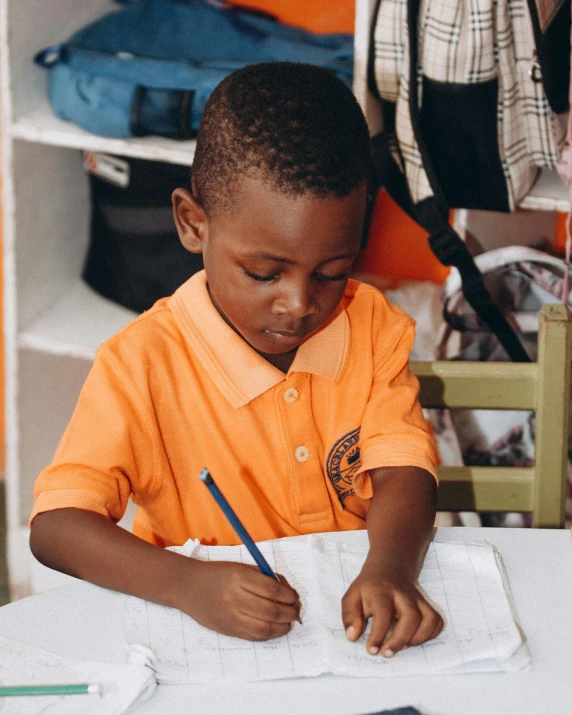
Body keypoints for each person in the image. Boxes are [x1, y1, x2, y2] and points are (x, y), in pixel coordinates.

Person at [29, 62, 443, 659]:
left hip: (345, 632)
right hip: (203, 636)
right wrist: (187, 584)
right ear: (193, 223)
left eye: (332, 272)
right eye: (263, 273)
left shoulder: (369, 324)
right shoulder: (142, 363)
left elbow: (404, 469)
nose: (300, 304)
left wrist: (392, 570)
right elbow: (56, 526)